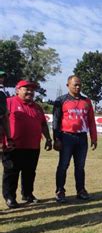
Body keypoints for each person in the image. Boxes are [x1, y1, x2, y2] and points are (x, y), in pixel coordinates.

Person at [2, 80, 52, 208]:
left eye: (32, 90)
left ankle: (28, 194)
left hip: (33, 146)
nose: (30, 92)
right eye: (26, 89)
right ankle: (10, 197)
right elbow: (2, 121)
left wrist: (48, 139)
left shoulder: (37, 107)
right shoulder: (9, 102)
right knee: (11, 173)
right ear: (17, 90)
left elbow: (43, 124)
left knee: (30, 172)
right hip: (13, 146)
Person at [53, 75, 97, 203]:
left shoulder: (86, 101)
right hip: (66, 137)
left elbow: (91, 121)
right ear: (68, 85)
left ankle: (81, 190)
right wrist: (56, 138)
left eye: (79, 85)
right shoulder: (61, 100)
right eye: (75, 85)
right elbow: (55, 121)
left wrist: (94, 137)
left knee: (80, 166)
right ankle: (60, 191)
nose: (77, 87)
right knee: (63, 166)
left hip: (82, 138)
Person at [0, 70, 13, 151]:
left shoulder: (3, 92)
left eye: (2, 77)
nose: (1, 79)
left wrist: (9, 138)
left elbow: (5, 115)